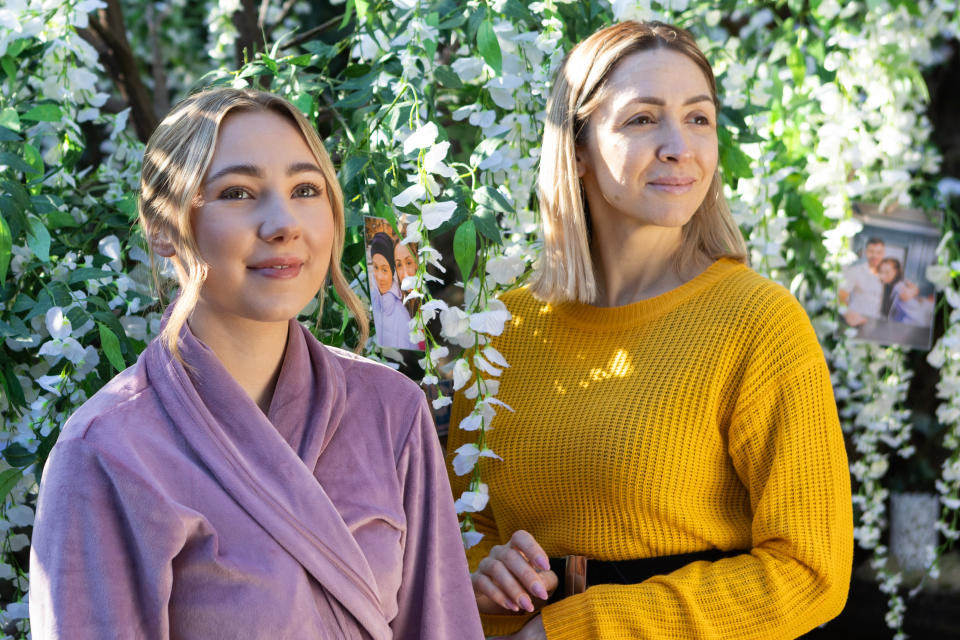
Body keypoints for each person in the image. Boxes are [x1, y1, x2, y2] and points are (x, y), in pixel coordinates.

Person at [447, 21, 852, 639]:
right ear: (576, 149)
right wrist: (487, 579)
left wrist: (587, 627)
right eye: (643, 119)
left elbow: (810, 571)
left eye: (698, 119)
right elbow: (457, 539)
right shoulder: (498, 332)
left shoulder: (760, 325)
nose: (679, 146)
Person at [29, 88, 482, 640]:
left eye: (305, 189)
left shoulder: (391, 411)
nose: (283, 223)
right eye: (238, 192)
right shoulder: (108, 451)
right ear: (163, 227)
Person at [369, 231, 418, 350]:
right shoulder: (406, 302)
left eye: (409, 262)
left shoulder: (403, 313)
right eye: (399, 265)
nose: (405, 274)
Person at [840, 236, 886, 326]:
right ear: (866, 252)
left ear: (883, 254)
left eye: (879, 252)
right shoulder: (855, 271)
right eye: (871, 251)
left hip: (877, 323)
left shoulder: (887, 274)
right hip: (857, 322)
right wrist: (848, 314)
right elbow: (841, 296)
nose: (875, 255)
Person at [878, 257, 926, 326]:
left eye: (887, 272)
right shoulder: (887, 285)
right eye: (881, 272)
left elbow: (917, 318)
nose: (882, 276)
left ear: (896, 272)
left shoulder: (901, 290)